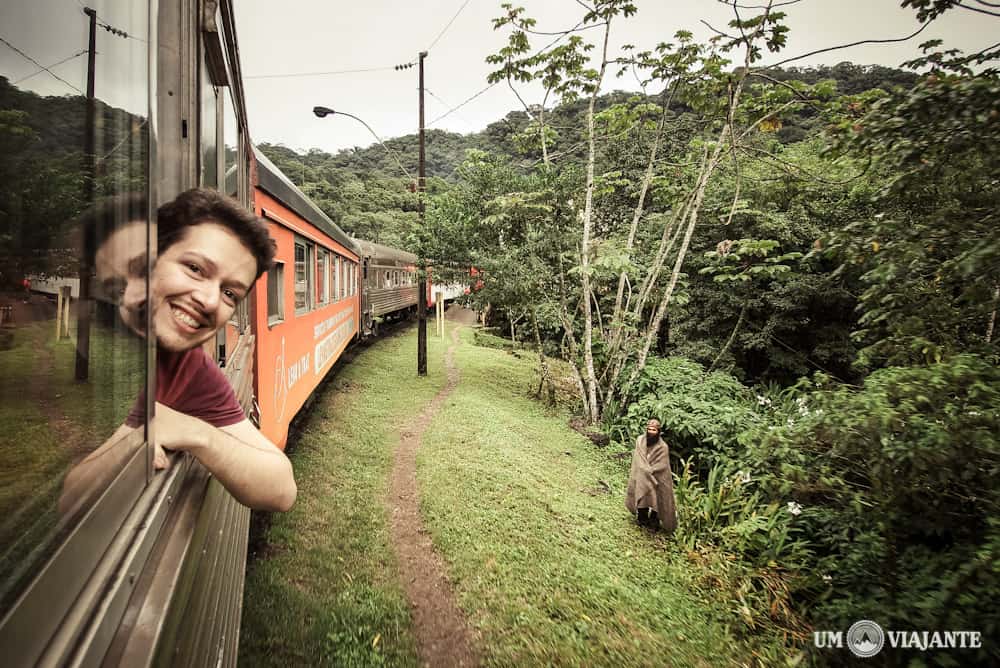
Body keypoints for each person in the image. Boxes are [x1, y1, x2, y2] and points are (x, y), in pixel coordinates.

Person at [59, 189, 296, 514]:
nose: (211, 301)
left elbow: (282, 490)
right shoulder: (86, 336)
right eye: (195, 269)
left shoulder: (185, 364)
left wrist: (197, 432)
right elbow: (67, 503)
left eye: (229, 293)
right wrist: (133, 442)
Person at [624, 418, 677, 532]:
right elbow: (638, 460)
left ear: (658, 431)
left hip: (656, 477)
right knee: (642, 491)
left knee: (656, 497)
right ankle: (642, 518)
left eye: (654, 430)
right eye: (649, 429)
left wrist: (650, 471)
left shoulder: (663, 447)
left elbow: (663, 465)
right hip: (642, 476)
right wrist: (644, 470)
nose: (651, 432)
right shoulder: (640, 441)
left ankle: (654, 521)